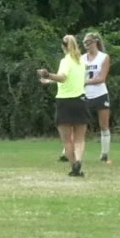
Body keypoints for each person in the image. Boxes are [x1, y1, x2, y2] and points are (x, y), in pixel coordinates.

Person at [37, 35, 91, 178]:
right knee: (80, 138)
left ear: (63, 46)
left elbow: (63, 77)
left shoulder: (65, 61)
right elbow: (75, 80)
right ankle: (79, 160)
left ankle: (74, 166)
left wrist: (48, 75)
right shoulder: (81, 61)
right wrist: (51, 82)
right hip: (80, 101)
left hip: (64, 103)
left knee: (67, 140)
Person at [66, 32, 112, 164]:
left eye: (88, 43)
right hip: (85, 94)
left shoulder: (104, 57)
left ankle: (105, 154)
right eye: (85, 43)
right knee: (77, 124)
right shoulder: (82, 58)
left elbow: (102, 78)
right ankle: (68, 152)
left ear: (95, 42)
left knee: (104, 125)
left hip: (100, 94)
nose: (86, 46)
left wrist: (86, 81)